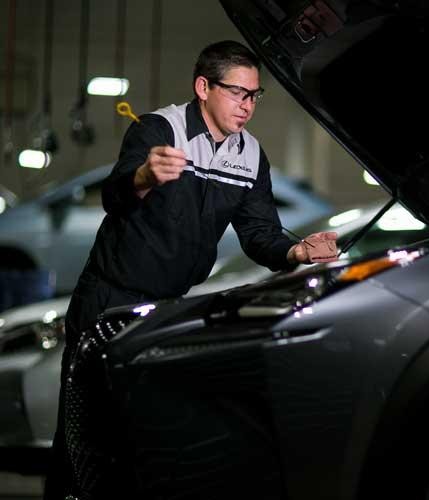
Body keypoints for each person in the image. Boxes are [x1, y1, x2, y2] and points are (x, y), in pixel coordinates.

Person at [43, 40, 337, 500]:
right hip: (110, 296)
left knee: (146, 429)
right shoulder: (161, 129)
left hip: (167, 308)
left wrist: (298, 251)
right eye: (238, 93)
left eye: (254, 95)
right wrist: (143, 177)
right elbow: (113, 198)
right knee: (84, 425)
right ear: (204, 87)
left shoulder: (251, 156)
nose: (247, 106)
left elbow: (260, 233)